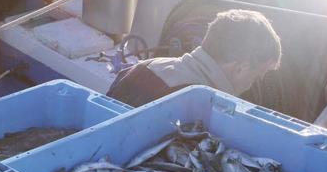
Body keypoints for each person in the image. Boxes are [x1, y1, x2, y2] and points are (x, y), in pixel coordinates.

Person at [107, 9, 282, 106]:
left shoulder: (141, 67)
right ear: (241, 69)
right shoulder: (206, 108)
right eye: (256, 77)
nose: (250, 86)